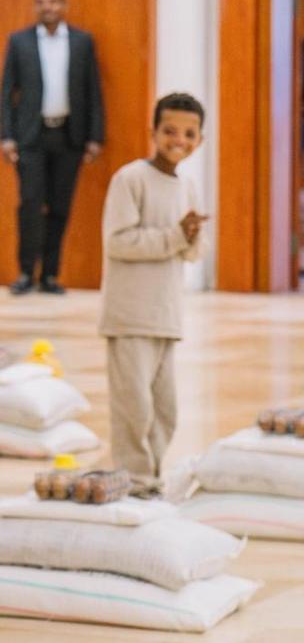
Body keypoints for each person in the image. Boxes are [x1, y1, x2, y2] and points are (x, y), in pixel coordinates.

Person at [100, 93, 207, 495]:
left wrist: (191, 236)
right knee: (135, 409)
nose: (179, 140)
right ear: (154, 132)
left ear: (200, 140)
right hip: (130, 316)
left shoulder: (188, 186)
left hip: (167, 315)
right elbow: (118, 242)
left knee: (165, 410)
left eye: (189, 134)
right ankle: (135, 483)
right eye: (170, 131)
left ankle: (152, 482)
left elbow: (193, 251)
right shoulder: (130, 179)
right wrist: (176, 236)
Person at [0, 0, 105, 295]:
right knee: (30, 204)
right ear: (36, 5)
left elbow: (93, 90)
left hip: (69, 136)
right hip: (31, 137)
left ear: (64, 5)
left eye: (54, 1)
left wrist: (95, 136)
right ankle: (25, 272)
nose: (48, 7)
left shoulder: (82, 42)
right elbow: (6, 92)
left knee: (60, 206)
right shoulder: (20, 41)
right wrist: (6, 136)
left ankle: (50, 275)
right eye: (42, 2)